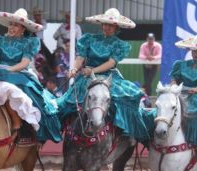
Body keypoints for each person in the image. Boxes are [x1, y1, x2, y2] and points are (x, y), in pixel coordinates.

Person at [56, 8, 149, 142]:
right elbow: (80, 57)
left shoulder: (119, 44)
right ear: (101, 25)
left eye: (110, 25)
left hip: (108, 76)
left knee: (122, 99)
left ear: (116, 27)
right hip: (87, 75)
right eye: (105, 24)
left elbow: (111, 63)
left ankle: (122, 133)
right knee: (68, 101)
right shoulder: (89, 39)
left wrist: (93, 71)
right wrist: (74, 69)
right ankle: (65, 130)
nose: (107, 27)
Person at [0, 8, 62, 143]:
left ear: (23, 29)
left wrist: (8, 70)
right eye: (11, 24)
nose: (12, 27)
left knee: (30, 94)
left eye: (16, 25)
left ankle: (24, 127)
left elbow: (24, 63)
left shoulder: (28, 42)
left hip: (18, 72)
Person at [170, 36, 197, 146]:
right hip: (181, 94)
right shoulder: (180, 64)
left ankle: (192, 142)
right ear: (190, 51)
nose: (196, 53)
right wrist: (174, 86)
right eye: (194, 51)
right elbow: (173, 80)